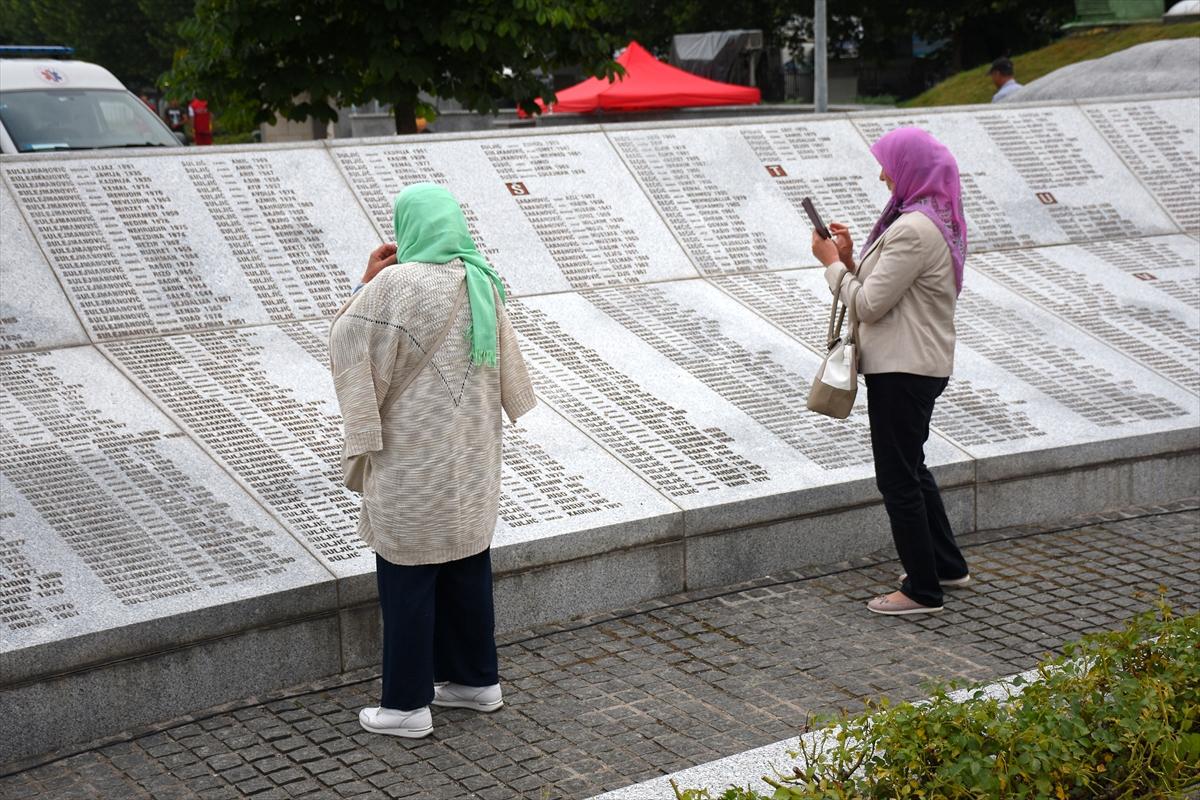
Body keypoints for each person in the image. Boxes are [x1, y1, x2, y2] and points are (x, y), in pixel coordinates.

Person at [329, 183, 537, 737]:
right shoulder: (480, 280)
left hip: (411, 460)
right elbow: (512, 383)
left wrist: (365, 282)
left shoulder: (394, 284)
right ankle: (476, 681)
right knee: (467, 562)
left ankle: (405, 707)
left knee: (407, 575)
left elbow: (346, 338)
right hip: (470, 456)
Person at [810, 127, 970, 616]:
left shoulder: (912, 229)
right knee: (913, 469)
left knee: (897, 479)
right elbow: (885, 288)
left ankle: (922, 590)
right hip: (919, 364)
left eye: (887, 164)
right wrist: (852, 257)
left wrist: (831, 266)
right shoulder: (931, 220)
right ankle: (944, 564)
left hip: (904, 369)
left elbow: (870, 304)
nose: (882, 173)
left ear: (910, 169)